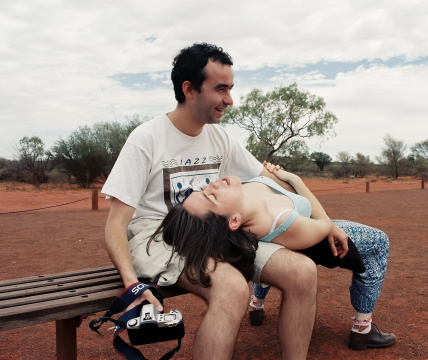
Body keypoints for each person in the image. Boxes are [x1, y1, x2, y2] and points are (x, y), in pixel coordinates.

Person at [102, 43, 318, 360]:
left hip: (212, 232)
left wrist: (323, 223)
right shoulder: (147, 138)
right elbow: (115, 226)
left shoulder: (220, 137)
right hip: (159, 234)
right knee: (231, 288)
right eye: (221, 89)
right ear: (189, 89)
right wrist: (132, 285)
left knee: (303, 272)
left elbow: (270, 178)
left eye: (230, 89)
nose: (229, 100)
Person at [161, 164, 396, 350]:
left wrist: (270, 173)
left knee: (265, 248)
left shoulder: (237, 196)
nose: (212, 184)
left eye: (204, 190)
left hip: (275, 234)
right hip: (312, 226)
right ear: (234, 221)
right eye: (211, 196)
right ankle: (363, 330)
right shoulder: (283, 221)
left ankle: (257, 303)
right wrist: (294, 179)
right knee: (379, 242)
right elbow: (324, 225)